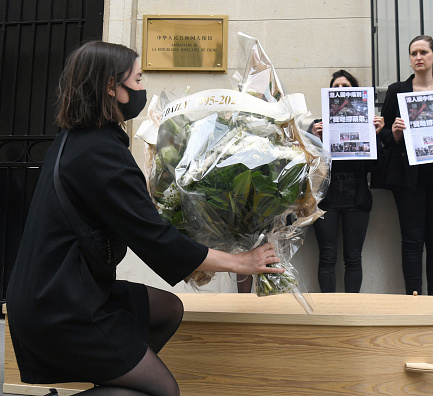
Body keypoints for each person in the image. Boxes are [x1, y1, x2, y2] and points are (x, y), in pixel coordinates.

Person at [6, 41, 283, 396]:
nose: (142, 88)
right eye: (137, 80)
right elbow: (154, 239)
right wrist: (241, 262)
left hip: (61, 291)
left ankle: (117, 373)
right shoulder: (100, 155)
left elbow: (131, 216)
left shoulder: (80, 140)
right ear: (111, 88)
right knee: (163, 390)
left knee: (167, 309)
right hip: (61, 307)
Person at [375, 35, 433, 296]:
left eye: (423, 52)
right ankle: (414, 299)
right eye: (413, 53)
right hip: (408, 178)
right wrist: (393, 134)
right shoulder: (398, 90)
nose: (418, 57)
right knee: (412, 241)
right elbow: (382, 135)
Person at [309, 70, 384, 292]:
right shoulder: (318, 125)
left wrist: (375, 136)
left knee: (353, 257)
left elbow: (376, 167)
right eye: (336, 88)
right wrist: (315, 138)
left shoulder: (367, 123)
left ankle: (352, 308)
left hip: (357, 196)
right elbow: (306, 165)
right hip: (326, 197)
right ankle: (328, 309)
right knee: (327, 257)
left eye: (346, 87)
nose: (340, 91)